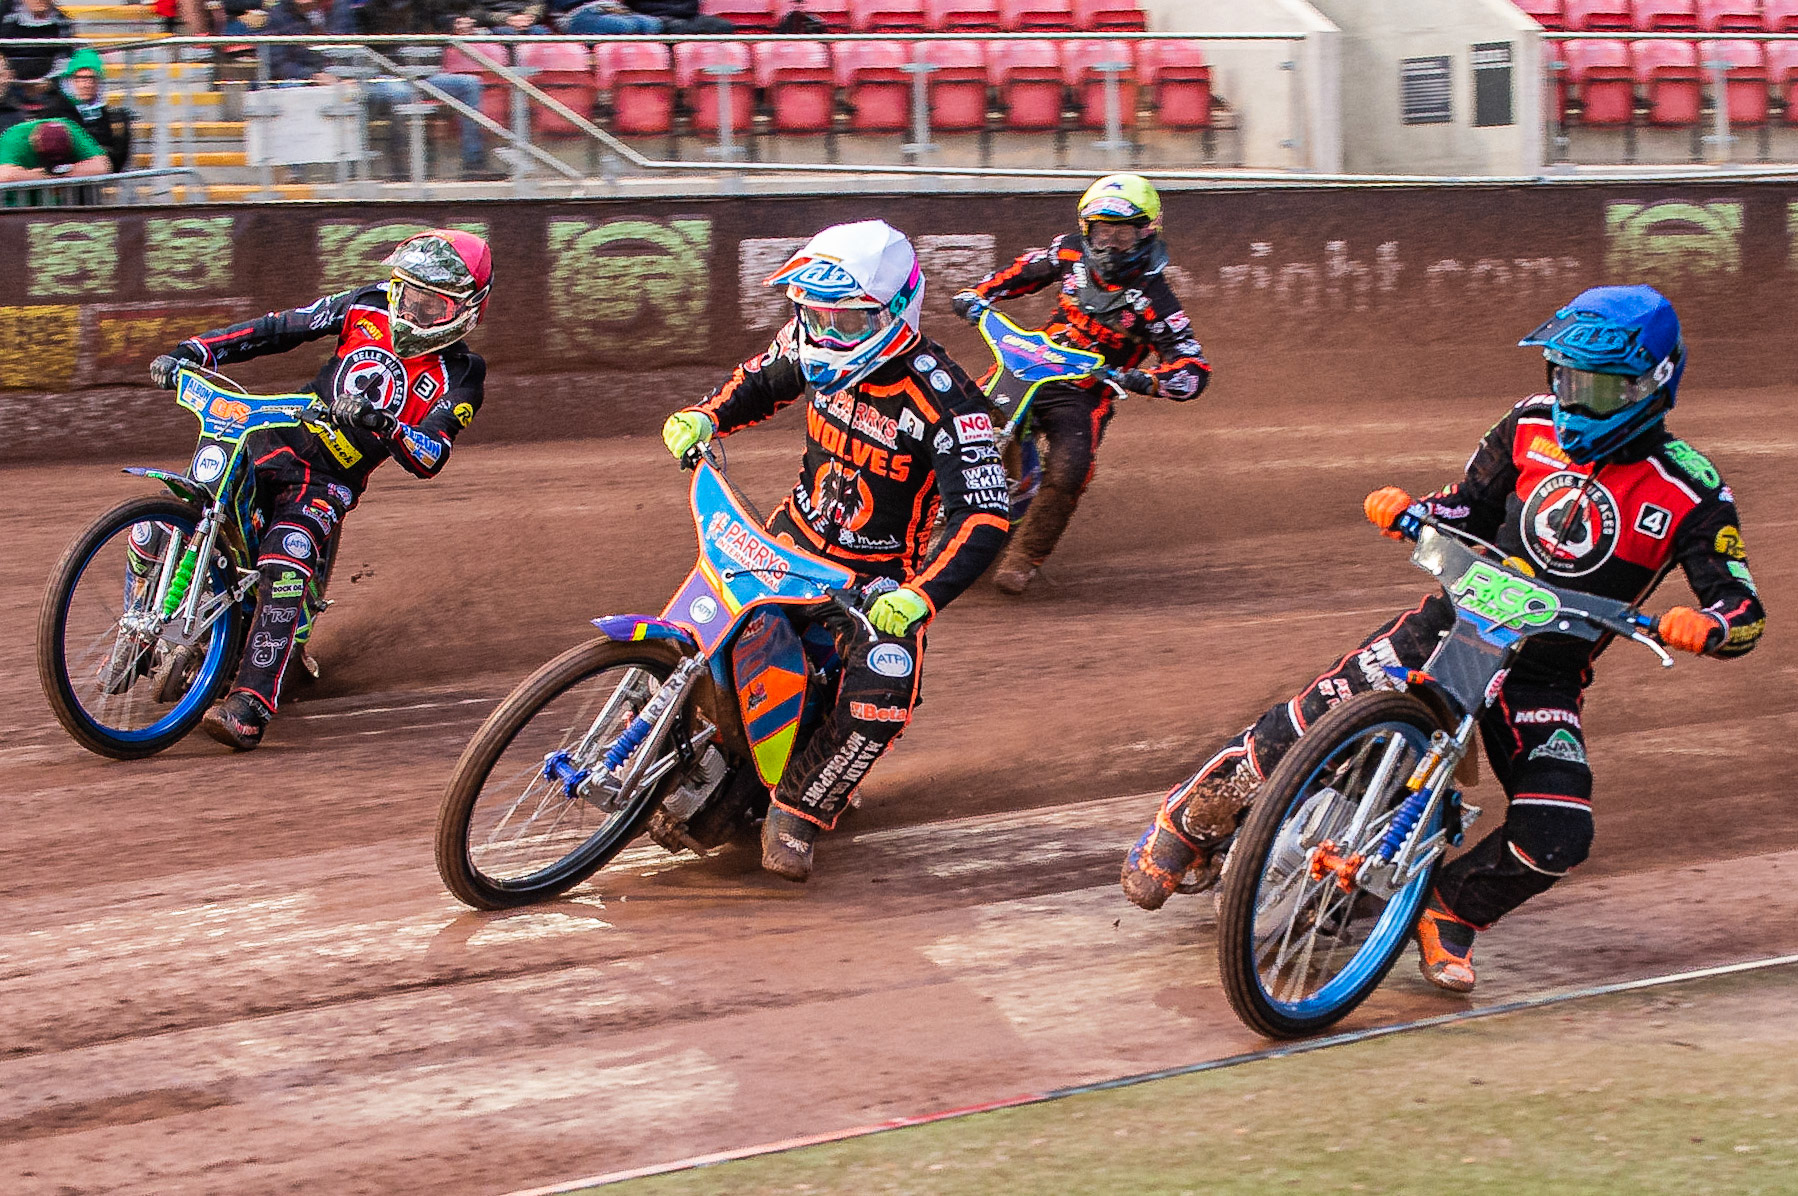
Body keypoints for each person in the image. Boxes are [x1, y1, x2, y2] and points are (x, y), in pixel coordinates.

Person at [1119, 285, 1765, 993]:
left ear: (1652, 385)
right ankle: (1190, 820)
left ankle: (1448, 912)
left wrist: (1712, 625)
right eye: (1565, 378)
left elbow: (1743, 605)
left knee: (1558, 834)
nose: (1574, 400)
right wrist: (1413, 512)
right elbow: (1467, 505)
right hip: (1453, 623)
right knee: (1305, 719)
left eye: (1599, 388)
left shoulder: (1694, 490)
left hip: (1542, 677)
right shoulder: (1526, 424)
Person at [661, 219, 1010, 882]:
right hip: (788, 539)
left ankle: (796, 811)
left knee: (884, 688)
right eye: (815, 316)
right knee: (694, 634)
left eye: (847, 323)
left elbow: (986, 517)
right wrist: (707, 415)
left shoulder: (947, 400)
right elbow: (761, 381)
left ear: (895, 311)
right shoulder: (808, 337)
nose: (827, 335)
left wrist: (919, 597)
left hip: (873, 584)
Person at [147, 230, 493, 750]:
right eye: (408, 293)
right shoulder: (366, 304)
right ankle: (136, 642)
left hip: (328, 480)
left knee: (286, 558)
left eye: (431, 304)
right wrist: (198, 350)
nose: (412, 309)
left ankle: (249, 705)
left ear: (466, 311)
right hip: (269, 437)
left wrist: (387, 425)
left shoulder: (462, 373)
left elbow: (433, 455)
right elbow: (280, 328)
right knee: (162, 523)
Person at [952, 173, 1210, 595]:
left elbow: (1193, 368)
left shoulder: (1156, 299)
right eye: (1101, 231)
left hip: (1087, 388)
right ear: (1087, 228)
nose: (1109, 243)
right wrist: (978, 294)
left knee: (1071, 468)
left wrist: (1142, 378)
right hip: (1031, 360)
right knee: (958, 418)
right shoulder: (1070, 251)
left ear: (1147, 233)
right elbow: (1026, 271)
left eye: (1122, 235)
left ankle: (1024, 556)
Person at [42, 48, 130, 173]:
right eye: (81, 79)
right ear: (71, 80)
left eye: (92, 79)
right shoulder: (54, 113)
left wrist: (122, 137)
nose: (87, 84)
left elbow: (115, 162)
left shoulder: (110, 117)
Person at [0, 116, 109, 181]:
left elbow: (102, 166)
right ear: (35, 142)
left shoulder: (71, 130)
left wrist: (59, 173)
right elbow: (4, 175)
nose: (54, 164)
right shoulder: (14, 138)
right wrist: (42, 175)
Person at [0, 0, 73, 84]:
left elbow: (64, 59)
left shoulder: (62, 22)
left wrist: (48, 81)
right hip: (7, 83)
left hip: (47, 86)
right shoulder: (5, 13)